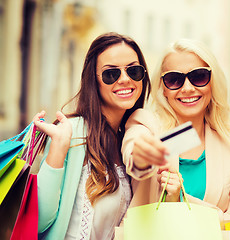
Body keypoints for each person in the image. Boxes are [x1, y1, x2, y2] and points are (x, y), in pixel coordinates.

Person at [32, 32, 151, 239]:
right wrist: (59, 148)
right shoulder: (73, 132)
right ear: (93, 81)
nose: (125, 79)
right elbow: (39, 220)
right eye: (111, 74)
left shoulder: (127, 141)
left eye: (133, 70)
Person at [121, 39, 230, 220]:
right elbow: (134, 157)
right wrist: (142, 157)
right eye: (174, 80)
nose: (188, 88)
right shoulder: (146, 124)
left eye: (199, 77)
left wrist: (182, 200)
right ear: (162, 88)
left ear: (212, 82)